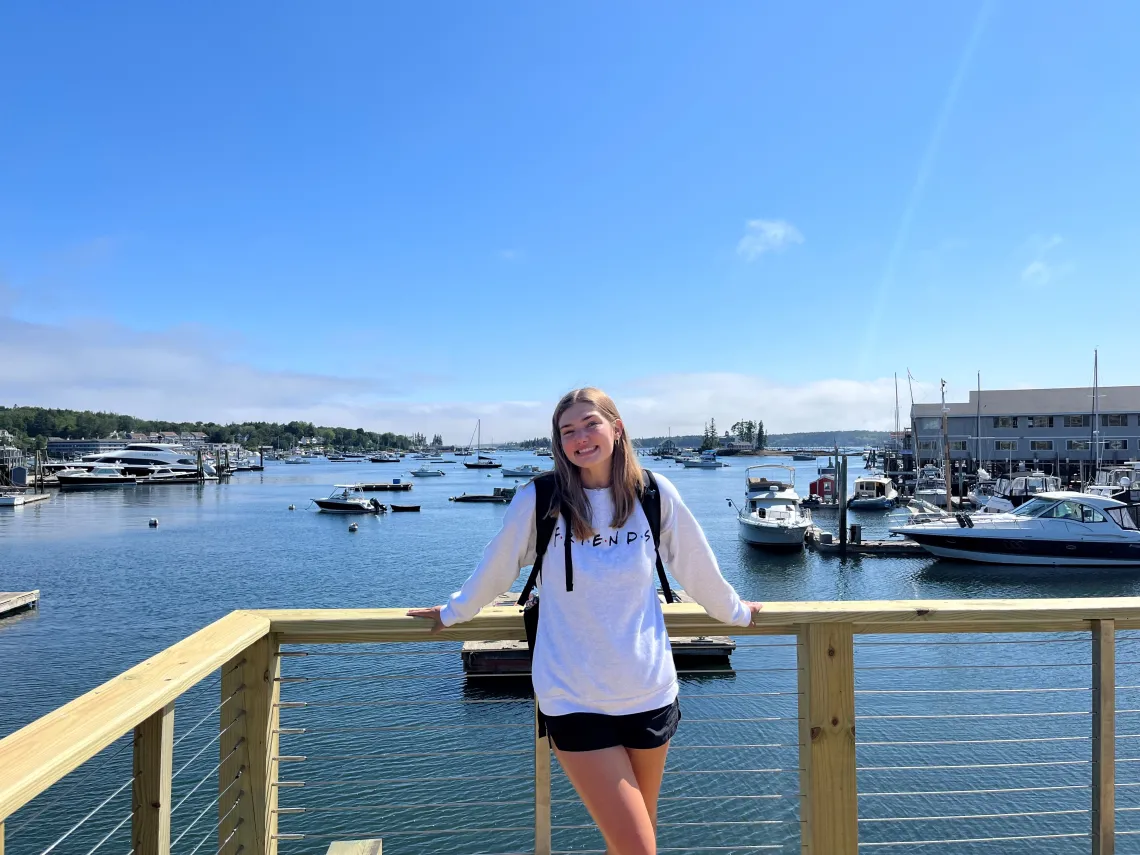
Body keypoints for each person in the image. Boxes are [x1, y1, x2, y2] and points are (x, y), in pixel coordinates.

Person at [408, 387, 762, 855]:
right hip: (573, 697)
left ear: (617, 428)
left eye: (590, 424)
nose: (580, 438)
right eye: (567, 431)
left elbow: (697, 567)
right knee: (638, 846)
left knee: (636, 838)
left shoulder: (652, 494)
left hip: (649, 691)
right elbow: (497, 567)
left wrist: (738, 612)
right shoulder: (542, 497)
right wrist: (452, 613)